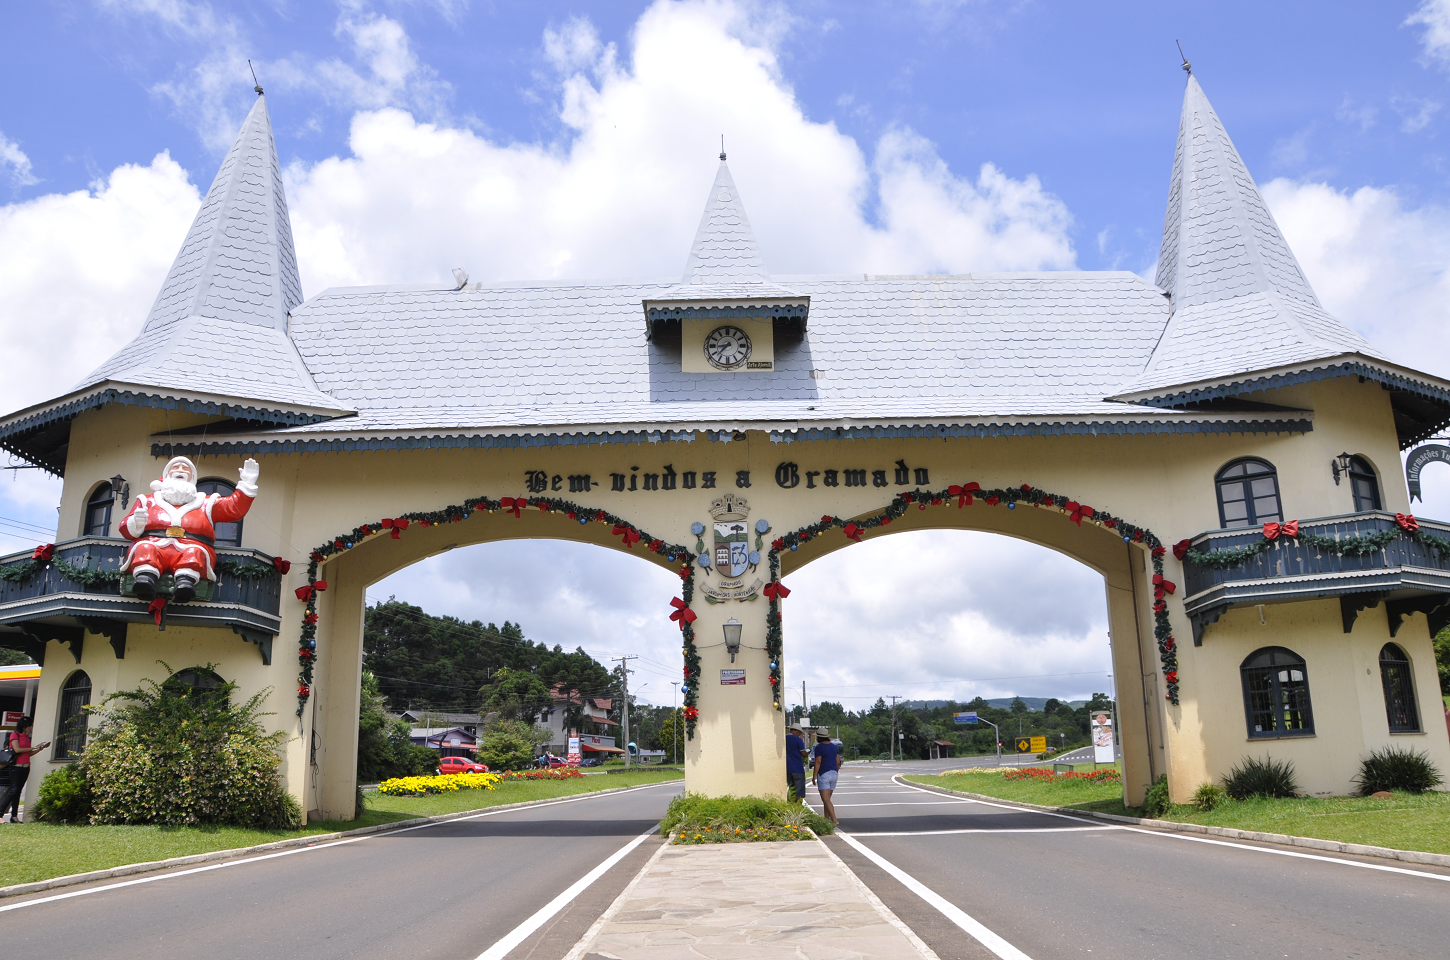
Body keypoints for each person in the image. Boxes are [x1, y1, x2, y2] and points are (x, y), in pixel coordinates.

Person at [119, 455, 259, 603]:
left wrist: (247, 484)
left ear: (192, 477)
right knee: (145, 548)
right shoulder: (146, 500)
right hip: (155, 543)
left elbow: (234, 509)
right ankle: (145, 580)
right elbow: (124, 526)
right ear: (166, 475)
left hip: (191, 546)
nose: (180, 470)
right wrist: (135, 522)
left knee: (194, 553)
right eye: (176, 467)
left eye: (185, 469)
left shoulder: (206, 503)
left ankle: (185, 584)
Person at [1, 717, 51, 824]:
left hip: (26, 766)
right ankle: (0, 813)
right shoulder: (15, 735)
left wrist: (39, 748)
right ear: (24, 726)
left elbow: (28, 753)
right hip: (16, 767)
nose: (30, 728)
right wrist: (33, 747)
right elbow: (17, 750)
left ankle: (14, 816)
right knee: (13, 790)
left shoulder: (26, 737)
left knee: (18, 792)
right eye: (29, 726)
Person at [810, 730, 843, 826]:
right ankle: (826, 820)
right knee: (827, 799)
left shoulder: (819, 747)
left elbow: (818, 762)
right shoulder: (834, 747)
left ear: (819, 737)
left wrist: (814, 776)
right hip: (834, 774)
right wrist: (836, 771)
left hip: (824, 774)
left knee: (825, 799)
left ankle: (834, 820)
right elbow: (838, 761)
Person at [785, 725, 808, 802]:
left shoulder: (784, 738)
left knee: (792, 791)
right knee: (799, 793)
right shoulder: (798, 740)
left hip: (787, 769)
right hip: (797, 769)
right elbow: (804, 754)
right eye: (799, 734)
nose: (799, 735)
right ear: (797, 732)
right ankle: (797, 809)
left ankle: (792, 807)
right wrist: (807, 753)